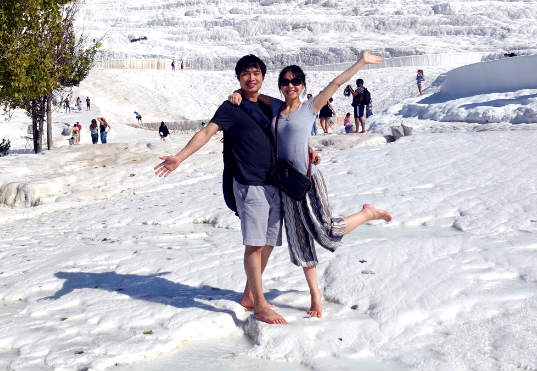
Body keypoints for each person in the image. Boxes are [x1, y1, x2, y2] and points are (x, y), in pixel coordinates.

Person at [232, 54, 391, 318]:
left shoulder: (310, 107)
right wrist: (236, 92)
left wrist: (361, 62)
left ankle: (367, 213)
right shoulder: (274, 110)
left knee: (326, 232)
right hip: (284, 184)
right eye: (285, 81)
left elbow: (336, 83)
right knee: (300, 240)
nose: (290, 85)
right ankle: (315, 297)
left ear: (303, 85)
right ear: (280, 85)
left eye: (295, 81)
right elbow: (251, 92)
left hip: (307, 180)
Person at [154, 55, 287, 325]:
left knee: (270, 241)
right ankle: (260, 305)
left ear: (263, 76)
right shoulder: (230, 107)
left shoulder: (272, 105)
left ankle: (251, 295)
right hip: (248, 183)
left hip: (275, 182)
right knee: (254, 243)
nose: (251, 78)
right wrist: (179, 157)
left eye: (256, 72)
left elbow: (292, 129)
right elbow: (207, 132)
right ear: (238, 78)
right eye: (246, 74)